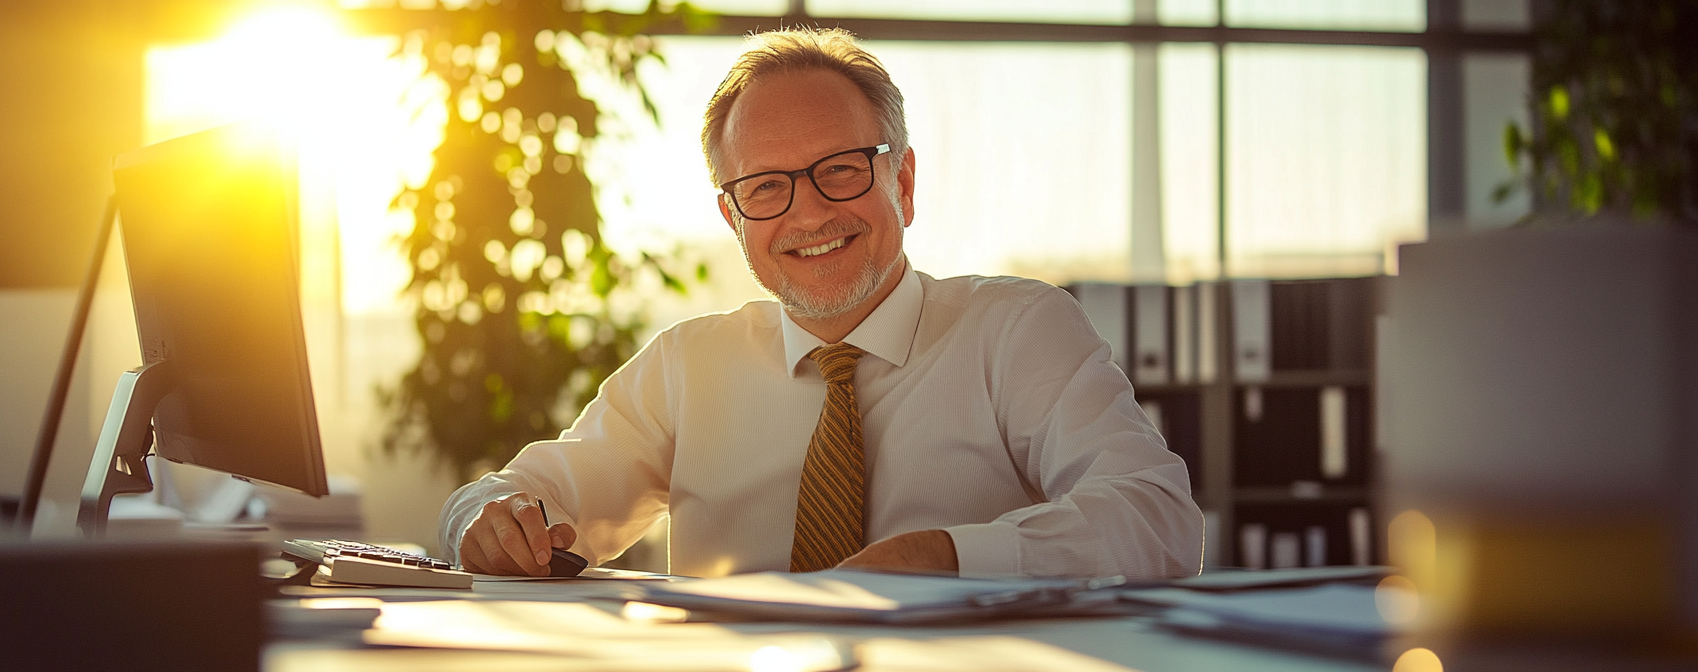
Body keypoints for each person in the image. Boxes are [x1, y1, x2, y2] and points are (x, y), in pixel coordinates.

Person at [440, 27, 1203, 579]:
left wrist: (949, 555)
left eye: (840, 168)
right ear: (733, 218)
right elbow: (516, 495)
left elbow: (1157, 518)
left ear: (901, 183)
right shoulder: (684, 365)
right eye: (766, 186)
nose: (807, 214)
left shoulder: (1016, 330)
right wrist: (485, 520)